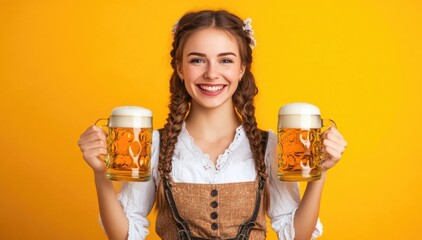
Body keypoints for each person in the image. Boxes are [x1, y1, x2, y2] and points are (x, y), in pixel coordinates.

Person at [77, 9, 347, 240]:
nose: (211, 73)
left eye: (225, 60)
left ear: (242, 69)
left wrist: (319, 173)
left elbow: (296, 235)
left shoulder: (270, 147)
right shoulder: (154, 146)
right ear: (180, 68)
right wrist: (100, 174)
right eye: (197, 60)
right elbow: (124, 234)